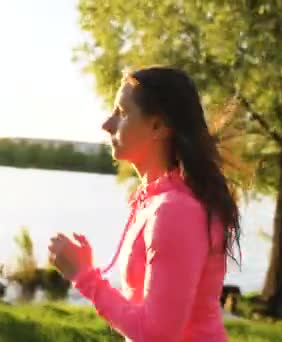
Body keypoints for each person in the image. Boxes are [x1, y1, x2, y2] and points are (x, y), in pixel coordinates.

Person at [47, 66, 241, 341]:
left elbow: (155, 335)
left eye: (122, 113)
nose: (107, 124)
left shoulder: (175, 210)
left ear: (158, 126)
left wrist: (85, 276)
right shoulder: (155, 201)